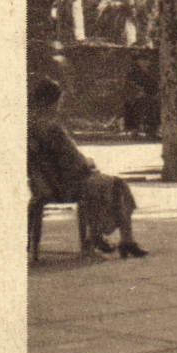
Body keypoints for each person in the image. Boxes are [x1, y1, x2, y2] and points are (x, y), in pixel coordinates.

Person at [28, 78, 148, 259]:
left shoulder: (29, 126)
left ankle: (100, 236)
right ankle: (122, 239)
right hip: (68, 185)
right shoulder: (52, 128)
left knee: (103, 184)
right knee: (117, 185)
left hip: (45, 185)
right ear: (51, 102)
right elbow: (74, 160)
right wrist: (89, 163)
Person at [122, 51, 160, 139]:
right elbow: (129, 86)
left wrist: (156, 93)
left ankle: (152, 130)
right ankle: (135, 130)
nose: (145, 62)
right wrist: (138, 92)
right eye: (142, 60)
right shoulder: (133, 73)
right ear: (137, 61)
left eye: (147, 60)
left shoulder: (152, 73)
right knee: (139, 103)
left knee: (154, 103)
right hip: (136, 97)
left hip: (151, 96)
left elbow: (156, 85)